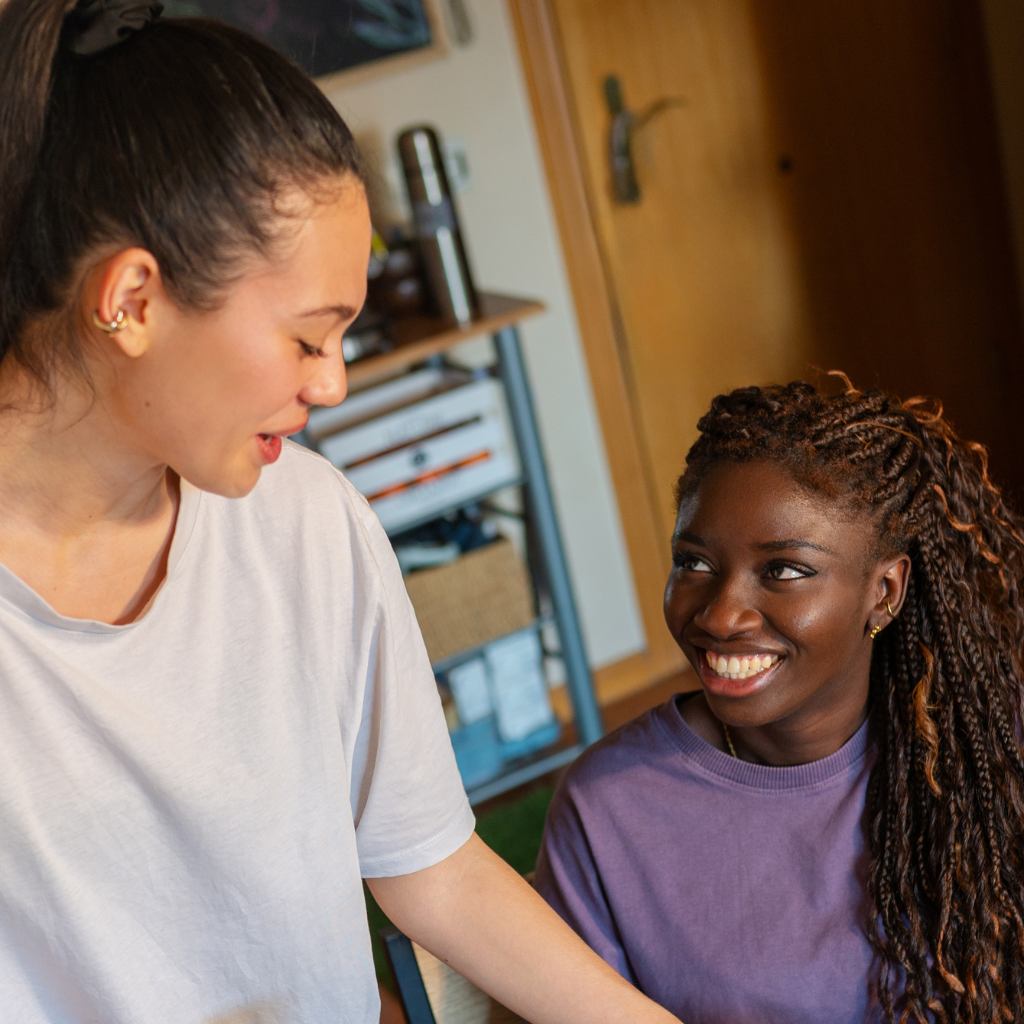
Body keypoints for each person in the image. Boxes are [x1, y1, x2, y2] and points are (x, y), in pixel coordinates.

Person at [0, 2, 684, 1022]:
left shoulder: (305, 524)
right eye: (309, 337)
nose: (334, 386)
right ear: (133, 301)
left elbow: (432, 870)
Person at [535, 377, 1024, 1024]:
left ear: (884, 591)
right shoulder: (609, 810)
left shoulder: (989, 742)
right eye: (695, 563)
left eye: (784, 570)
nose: (721, 614)